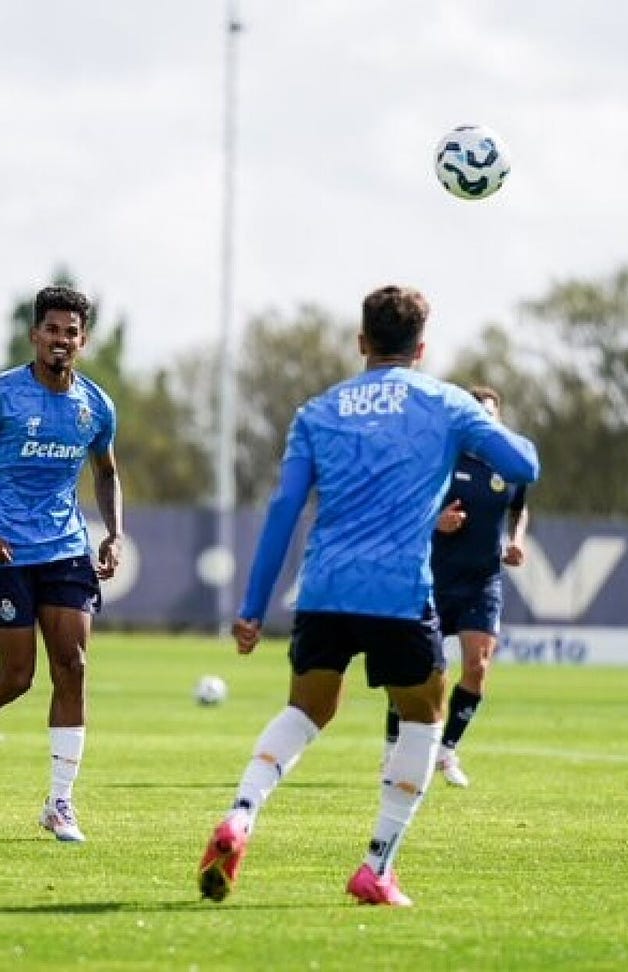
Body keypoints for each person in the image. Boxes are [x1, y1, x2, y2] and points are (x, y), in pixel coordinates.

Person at [196, 285, 540, 907]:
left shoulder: (318, 411)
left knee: (307, 710)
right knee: (423, 715)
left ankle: (241, 814)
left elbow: (282, 513)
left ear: (362, 342)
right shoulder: (446, 402)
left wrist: (251, 608)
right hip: (400, 592)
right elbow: (523, 466)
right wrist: (484, 427)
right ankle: (376, 866)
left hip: (324, 589)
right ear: (422, 347)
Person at [0, 285, 123, 843]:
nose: (62, 340)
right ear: (35, 334)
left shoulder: (95, 405)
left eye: (72, 332)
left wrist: (113, 533)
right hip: (5, 552)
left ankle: (60, 803)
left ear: (82, 339)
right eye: (52, 330)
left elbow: (106, 471)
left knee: (74, 666)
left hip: (65, 548)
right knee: (17, 675)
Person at [383, 385, 529, 787]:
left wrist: (517, 539)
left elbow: (519, 507)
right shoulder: (438, 459)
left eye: (491, 414)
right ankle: (393, 744)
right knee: (415, 670)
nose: (484, 420)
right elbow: (404, 511)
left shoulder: (511, 466)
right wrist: (436, 523)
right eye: (477, 413)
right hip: (432, 577)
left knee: (478, 666)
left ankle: (446, 751)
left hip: (482, 580)